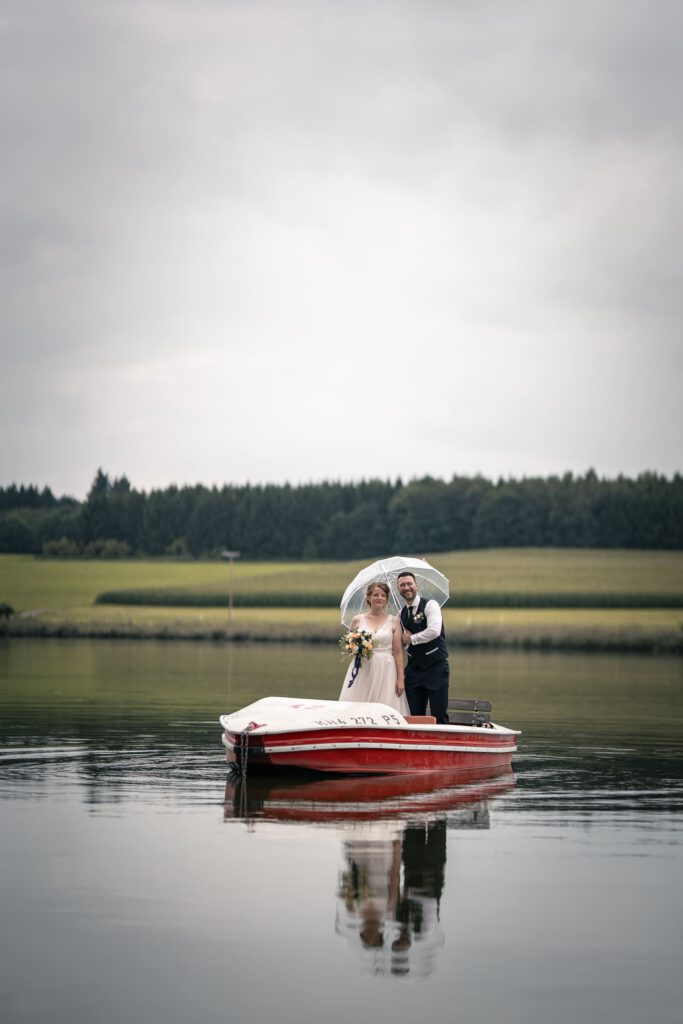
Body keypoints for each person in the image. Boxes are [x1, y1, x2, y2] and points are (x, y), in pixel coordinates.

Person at [339, 581, 409, 715]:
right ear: (369, 597)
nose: (379, 598)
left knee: (385, 706)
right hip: (364, 668)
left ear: (387, 599)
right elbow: (350, 646)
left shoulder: (394, 621)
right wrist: (357, 649)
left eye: (383, 595)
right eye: (376, 595)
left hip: (386, 669)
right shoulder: (357, 620)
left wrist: (401, 678)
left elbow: (398, 652)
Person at [397, 571, 450, 724]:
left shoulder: (430, 605)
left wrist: (411, 638)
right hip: (413, 670)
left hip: (436, 667)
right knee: (414, 716)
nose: (406, 587)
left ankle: (441, 746)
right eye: (402, 585)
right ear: (398, 589)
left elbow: (434, 631)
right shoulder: (401, 613)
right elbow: (402, 643)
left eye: (409, 584)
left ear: (416, 585)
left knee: (439, 714)